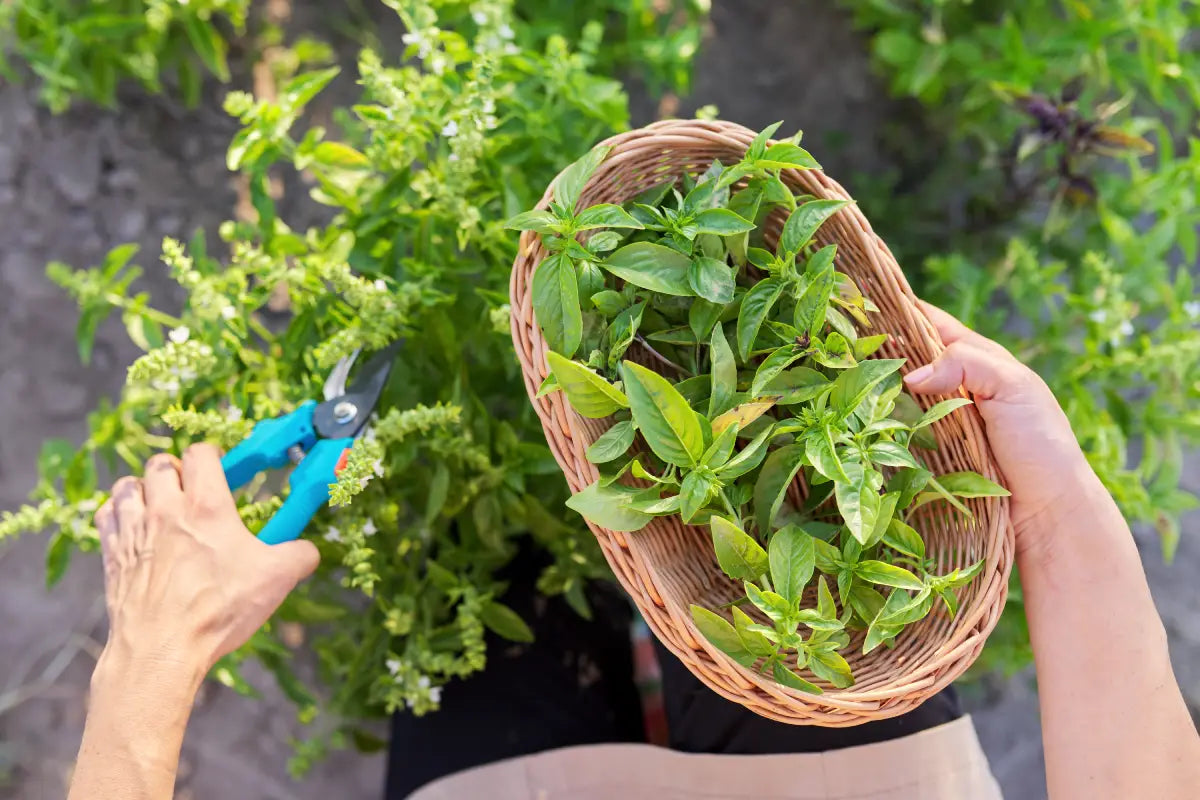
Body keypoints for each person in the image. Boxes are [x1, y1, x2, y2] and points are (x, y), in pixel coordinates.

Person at [67, 303, 1200, 800]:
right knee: (745, 559)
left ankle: (519, 499)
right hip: (863, 778)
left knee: (498, 575)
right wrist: (1050, 506)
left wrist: (147, 665)